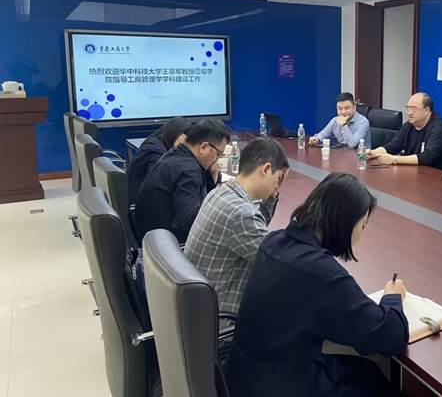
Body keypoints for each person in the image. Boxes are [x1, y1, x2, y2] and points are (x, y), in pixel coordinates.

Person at [226, 173, 409, 396]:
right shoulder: (322, 273)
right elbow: (390, 337)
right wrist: (393, 297)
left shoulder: (273, 241)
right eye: (363, 225)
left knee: (367, 370)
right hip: (284, 386)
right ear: (347, 223)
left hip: (243, 377)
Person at [185, 138, 289, 323]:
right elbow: (282, 263)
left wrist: (272, 195)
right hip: (221, 322)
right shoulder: (240, 214)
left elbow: (254, 226)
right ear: (266, 169)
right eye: (278, 178)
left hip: (197, 308)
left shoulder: (221, 193)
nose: (278, 185)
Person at [135, 119, 231, 243]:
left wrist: (212, 177)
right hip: (168, 243)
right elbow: (190, 221)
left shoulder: (174, 155)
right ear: (204, 147)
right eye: (218, 154)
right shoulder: (188, 170)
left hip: (152, 238)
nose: (217, 160)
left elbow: (196, 199)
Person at [366, 92, 442, 172]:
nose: (409, 113)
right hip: (417, 172)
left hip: (440, 176)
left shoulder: (438, 127)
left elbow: (427, 157)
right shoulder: (410, 125)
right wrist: (374, 153)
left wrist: (395, 159)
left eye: (413, 109)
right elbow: (394, 145)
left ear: (427, 110)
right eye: (408, 108)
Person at [127, 117, 189, 204]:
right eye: (182, 143)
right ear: (174, 135)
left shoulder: (159, 138)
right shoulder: (156, 153)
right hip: (140, 203)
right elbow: (158, 187)